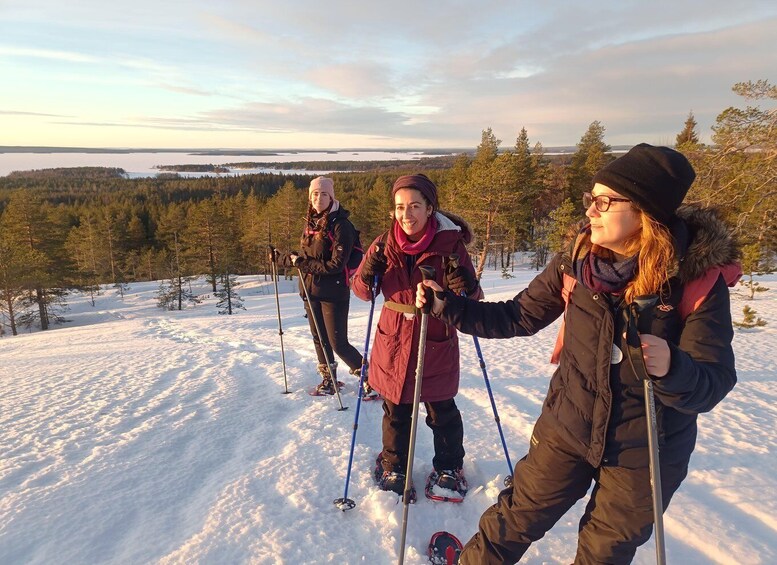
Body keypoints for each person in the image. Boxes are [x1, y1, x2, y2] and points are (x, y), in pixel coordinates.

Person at [416, 144, 741, 563]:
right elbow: (518, 315)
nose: (590, 210)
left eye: (604, 201)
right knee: (513, 520)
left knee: (602, 554)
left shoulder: (696, 282)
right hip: (568, 428)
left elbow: (713, 380)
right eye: (591, 198)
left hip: (645, 452)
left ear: (646, 212)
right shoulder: (577, 260)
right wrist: (449, 306)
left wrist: (673, 367)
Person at [352, 174, 483, 498]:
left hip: (434, 336)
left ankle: (449, 469)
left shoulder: (450, 245)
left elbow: (472, 298)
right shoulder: (384, 243)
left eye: (414, 206)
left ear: (429, 208)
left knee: (442, 410)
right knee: (396, 409)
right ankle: (395, 467)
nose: (406, 214)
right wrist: (367, 272)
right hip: (394, 338)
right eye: (399, 207)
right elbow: (362, 292)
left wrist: (463, 284)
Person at [284, 176, 365, 395]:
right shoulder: (311, 222)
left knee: (338, 343)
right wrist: (285, 259)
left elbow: (336, 265)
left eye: (324, 194)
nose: (319, 198)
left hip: (334, 293)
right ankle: (329, 380)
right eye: (315, 194)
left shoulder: (341, 226)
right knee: (319, 339)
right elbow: (307, 256)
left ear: (332, 197)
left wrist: (303, 264)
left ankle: (369, 378)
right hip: (310, 291)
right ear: (310, 197)